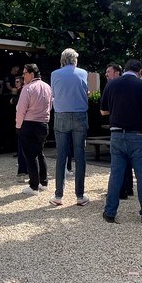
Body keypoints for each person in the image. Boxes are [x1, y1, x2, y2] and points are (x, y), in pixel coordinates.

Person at [100, 59, 142, 224]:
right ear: (139, 72)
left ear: (124, 69)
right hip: (138, 135)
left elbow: (103, 111)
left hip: (117, 134)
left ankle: (110, 212)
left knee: (116, 174)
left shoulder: (111, 85)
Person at [50, 48, 90, 207]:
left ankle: (58, 195)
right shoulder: (83, 73)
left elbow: (54, 93)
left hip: (61, 116)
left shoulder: (55, 74)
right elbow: (86, 92)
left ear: (62, 59)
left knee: (61, 155)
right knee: (80, 155)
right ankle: (80, 196)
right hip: (80, 115)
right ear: (75, 60)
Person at [16, 63, 52, 195]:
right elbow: (50, 106)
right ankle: (43, 182)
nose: (23, 76)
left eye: (25, 73)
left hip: (29, 124)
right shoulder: (47, 87)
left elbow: (21, 109)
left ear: (32, 74)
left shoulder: (27, 88)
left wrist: (18, 125)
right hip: (43, 123)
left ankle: (34, 186)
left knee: (30, 156)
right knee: (39, 153)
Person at [105, 62, 133, 200]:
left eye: (108, 72)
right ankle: (129, 188)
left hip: (118, 128)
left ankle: (120, 191)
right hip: (134, 130)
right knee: (128, 161)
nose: (106, 75)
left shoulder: (111, 86)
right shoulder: (134, 84)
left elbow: (103, 110)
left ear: (117, 72)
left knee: (118, 164)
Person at [10, 75, 28, 178]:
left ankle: (23, 169)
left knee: (22, 146)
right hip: (24, 121)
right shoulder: (21, 90)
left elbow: (20, 105)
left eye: (17, 81)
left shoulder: (23, 90)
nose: (16, 83)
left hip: (23, 121)